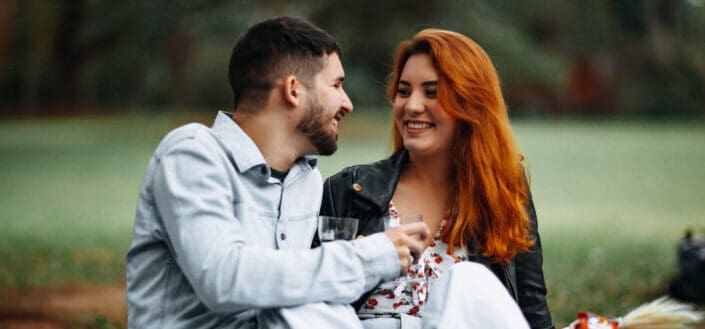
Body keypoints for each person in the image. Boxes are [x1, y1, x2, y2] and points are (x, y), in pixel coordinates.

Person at [125, 16, 429, 329]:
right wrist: (365, 256)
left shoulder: (306, 179)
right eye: (337, 85)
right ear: (293, 90)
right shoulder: (193, 153)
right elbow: (222, 279)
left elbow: (298, 289)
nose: (347, 103)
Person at [320, 29, 555, 329]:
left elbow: (531, 310)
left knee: (468, 280)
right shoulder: (348, 191)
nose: (412, 105)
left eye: (432, 92)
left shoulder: (504, 191)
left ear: (471, 104)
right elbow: (316, 303)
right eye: (404, 92)